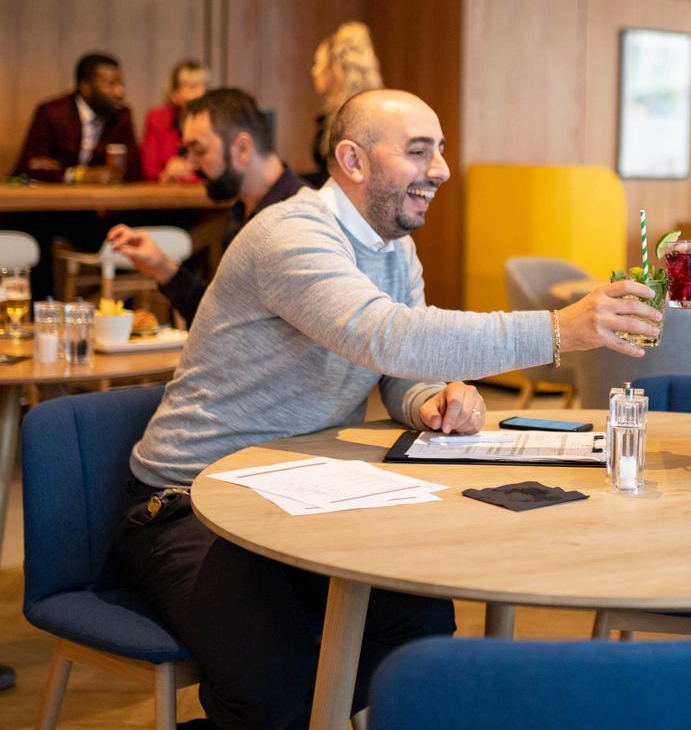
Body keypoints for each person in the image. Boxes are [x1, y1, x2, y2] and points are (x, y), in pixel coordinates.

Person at [112, 88, 661, 730]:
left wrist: (430, 399)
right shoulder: (290, 234)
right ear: (353, 160)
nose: (442, 171)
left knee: (420, 624)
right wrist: (558, 328)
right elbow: (385, 334)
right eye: (419, 152)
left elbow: (398, 366)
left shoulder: (393, 244)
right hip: (188, 503)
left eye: (442, 152)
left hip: (295, 491)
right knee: (273, 686)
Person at [108, 87, 307, 326]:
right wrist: (162, 267)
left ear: (242, 148)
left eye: (199, 150)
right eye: (188, 152)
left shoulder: (300, 218)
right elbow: (219, 317)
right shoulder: (239, 213)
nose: (190, 165)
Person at [14, 52, 143, 182]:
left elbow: (134, 173)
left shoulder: (122, 116)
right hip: (53, 198)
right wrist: (78, 175)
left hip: (102, 200)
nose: (120, 91)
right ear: (85, 87)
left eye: (120, 84)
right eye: (111, 84)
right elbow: (27, 168)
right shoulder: (52, 113)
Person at [310, 21, 382, 182]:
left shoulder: (349, 120)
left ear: (335, 68)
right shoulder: (338, 115)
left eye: (318, 63)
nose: (314, 71)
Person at [141, 59, 208, 182]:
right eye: (193, 87)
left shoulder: (213, 121)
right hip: (164, 193)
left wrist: (188, 175)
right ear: (174, 95)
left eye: (204, 86)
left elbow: (216, 170)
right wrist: (168, 172)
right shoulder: (157, 119)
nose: (201, 93)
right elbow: (149, 170)